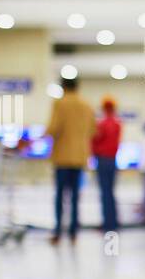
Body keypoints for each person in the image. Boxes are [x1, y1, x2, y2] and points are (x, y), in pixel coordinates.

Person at [44, 76, 94, 244]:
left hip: (62, 157)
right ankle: (74, 233)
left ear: (63, 87)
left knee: (60, 195)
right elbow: (93, 130)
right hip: (80, 157)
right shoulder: (86, 105)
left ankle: (58, 232)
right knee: (74, 197)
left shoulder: (60, 103)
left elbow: (53, 128)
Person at [92, 97, 121, 233]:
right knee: (111, 192)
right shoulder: (117, 123)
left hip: (103, 160)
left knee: (105, 193)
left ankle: (107, 224)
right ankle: (113, 222)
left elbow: (95, 141)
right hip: (113, 160)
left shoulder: (101, 124)